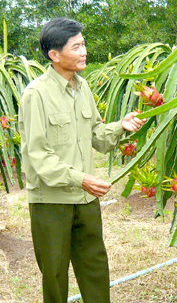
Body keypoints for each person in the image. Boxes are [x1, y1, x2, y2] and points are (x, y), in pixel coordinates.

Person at [18, 18, 146, 303]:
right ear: (55, 55)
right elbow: (38, 156)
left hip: (85, 200)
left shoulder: (82, 87)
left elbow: (97, 136)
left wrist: (120, 126)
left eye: (83, 44)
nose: (84, 51)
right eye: (76, 46)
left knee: (95, 268)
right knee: (54, 273)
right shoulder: (35, 95)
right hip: (51, 201)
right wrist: (82, 179)